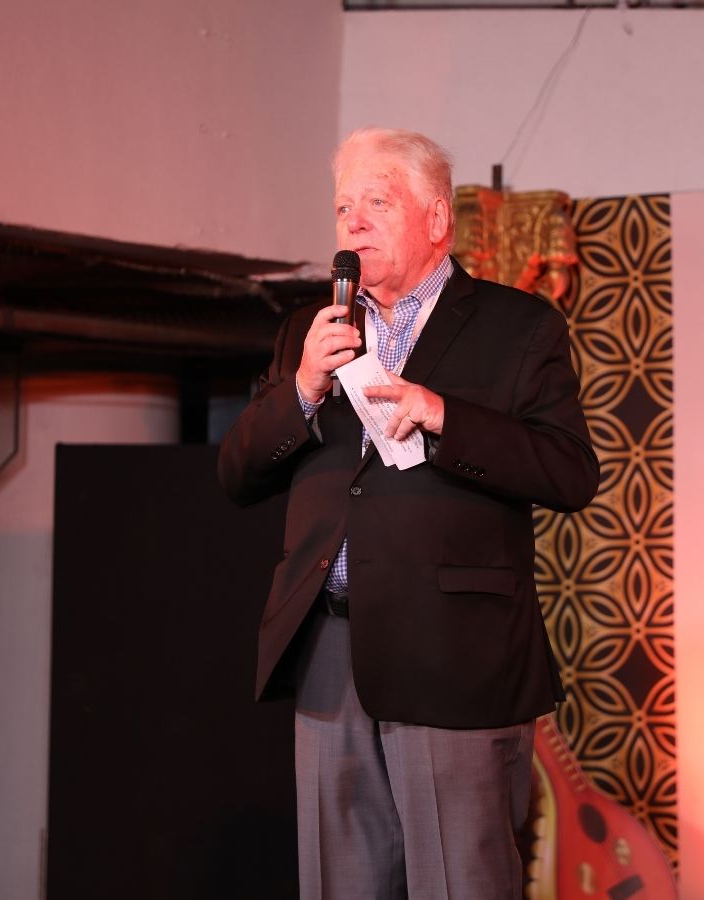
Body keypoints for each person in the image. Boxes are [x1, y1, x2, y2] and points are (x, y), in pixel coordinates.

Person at [217, 127, 599, 900]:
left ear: (436, 219)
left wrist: (444, 415)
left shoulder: (517, 327)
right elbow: (238, 475)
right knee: (342, 884)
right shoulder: (309, 332)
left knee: (460, 882)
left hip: (453, 652)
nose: (353, 223)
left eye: (377, 202)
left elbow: (568, 471)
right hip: (329, 649)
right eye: (343, 207)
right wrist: (302, 389)